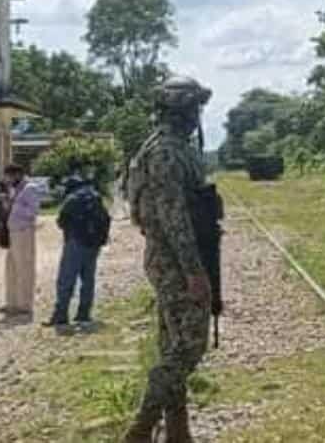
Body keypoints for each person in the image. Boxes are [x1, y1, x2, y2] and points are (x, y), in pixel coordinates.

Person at [124, 76, 214, 443]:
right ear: (178, 111)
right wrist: (194, 272)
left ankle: (179, 433)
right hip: (175, 262)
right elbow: (173, 215)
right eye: (192, 108)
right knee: (189, 346)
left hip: (169, 258)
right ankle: (141, 429)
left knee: (172, 343)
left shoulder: (167, 147)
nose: (196, 115)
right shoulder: (165, 152)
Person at [43, 174, 111, 327]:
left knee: (66, 279)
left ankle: (61, 315)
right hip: (94, 245)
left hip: (75, 242)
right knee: (88, 279)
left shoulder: (72, 199)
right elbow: (106, 218)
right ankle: (84, 314)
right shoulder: (95, 197)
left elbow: (61, 221)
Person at [0, 165, 41, 319]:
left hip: (24, 232)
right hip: (13, 232)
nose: (7, 180)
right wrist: (7, 203)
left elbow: (33, 211)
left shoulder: (30, 188)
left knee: (25, 269)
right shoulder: (15, 189)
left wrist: (15, 205)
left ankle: (25, 305)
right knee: (12, 269)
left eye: (9, 176)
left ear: (18, 174)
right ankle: (12, 303)